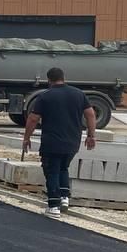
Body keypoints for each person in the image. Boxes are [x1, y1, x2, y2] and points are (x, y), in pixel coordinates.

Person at [23, 67, 98, 217]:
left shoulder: (45, 96)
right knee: (63, 167)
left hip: (52, 142)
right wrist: (91, 135)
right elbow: (90, 114)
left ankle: (53, 206)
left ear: (49, 80)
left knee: (51, 171)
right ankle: (64, 198)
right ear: (64, 77)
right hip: (73, 141)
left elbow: (33, 119)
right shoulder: (78, 94)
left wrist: (27, 138)